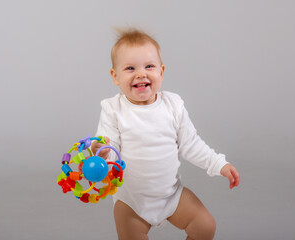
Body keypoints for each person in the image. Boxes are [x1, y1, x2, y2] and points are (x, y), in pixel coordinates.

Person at [91, 28, 240, 240]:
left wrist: (219, 164)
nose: (141, 74)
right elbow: (110, 148)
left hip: (171, 194)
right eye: (130, 68)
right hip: (132, 201)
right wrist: (103, 152)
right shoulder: (113, 109)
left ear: (161, 71)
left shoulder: (173, 105)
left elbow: (191, 145)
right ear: (115, 76)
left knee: (205, 226)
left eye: (149, 66)